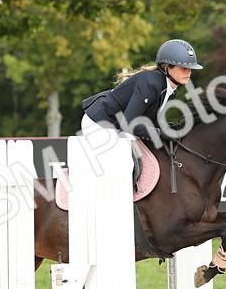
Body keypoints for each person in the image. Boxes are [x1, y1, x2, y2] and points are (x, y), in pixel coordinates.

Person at [79, 39, 203, 188]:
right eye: (184, 68)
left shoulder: (170, 89)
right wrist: (160, 133)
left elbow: (151, 119)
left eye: (190, 68)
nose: (189, 72)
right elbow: (128, 124)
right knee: (124, 162)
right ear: (167, 68)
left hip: (119, 125)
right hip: (99, 123)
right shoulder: (150, 84)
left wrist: (168, 130)